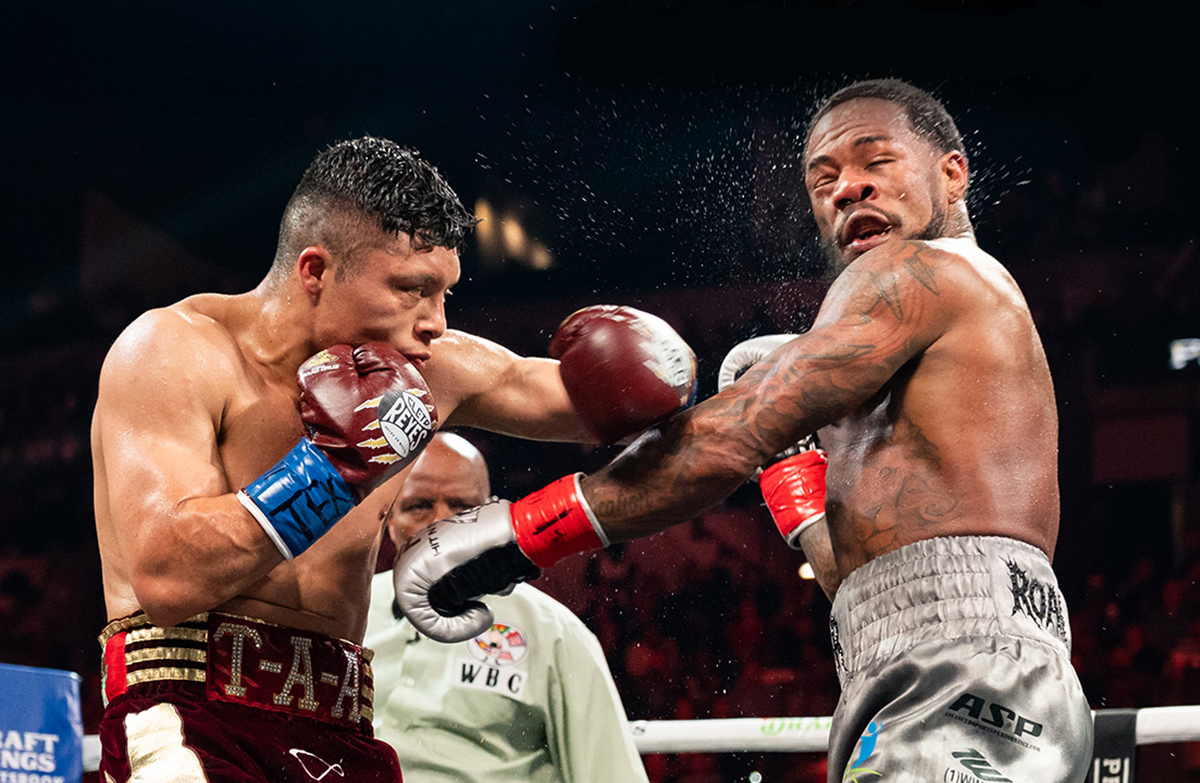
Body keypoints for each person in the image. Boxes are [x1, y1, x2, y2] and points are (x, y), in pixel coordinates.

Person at [395, 79, 1095, 783]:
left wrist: (521, 532)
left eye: (874, 161)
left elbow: (733, 434)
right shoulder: (927, 332)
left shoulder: (917, 271)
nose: (846, 189)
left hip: (967, 678)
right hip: (936, 666)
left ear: (952, 172)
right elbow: (861, 580)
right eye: (823, 179)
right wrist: (798, 492)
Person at [91, 136, 693, 781]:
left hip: (344, 726)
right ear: (315, 271)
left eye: (445, 294)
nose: (435, 322)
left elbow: (610, 407)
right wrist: (335, 469)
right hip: (190, 712)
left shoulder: (433, 368)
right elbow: (168, 579)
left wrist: (679, 375)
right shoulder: (175, 351)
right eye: (412, 289)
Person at [364, 431, 649, 783]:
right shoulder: (348, 617)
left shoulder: (554, 632)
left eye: (463, 508)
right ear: (387, 517)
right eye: (419, 505)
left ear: (490, 517)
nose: (440, 524)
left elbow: (609, 774)